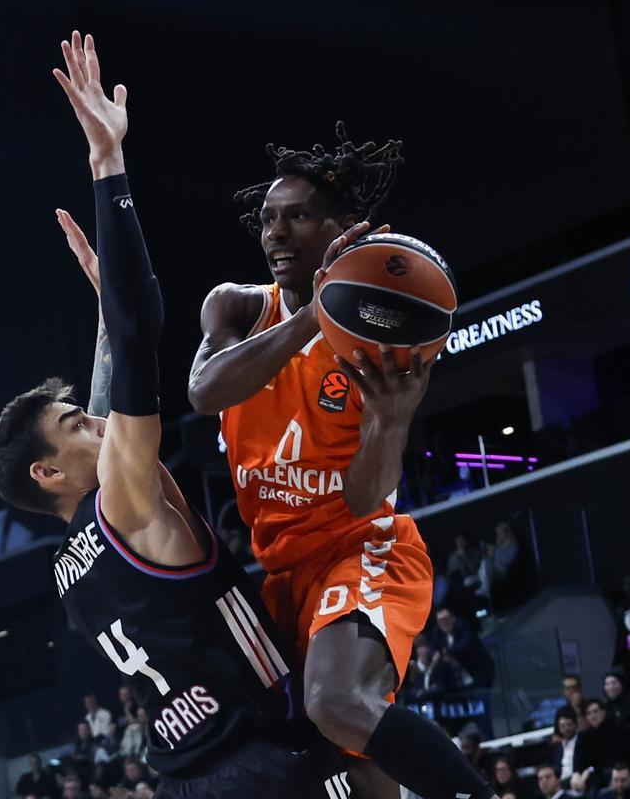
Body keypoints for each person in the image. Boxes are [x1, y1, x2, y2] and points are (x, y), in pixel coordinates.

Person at [0, 31, 387, 799]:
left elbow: (116, 366)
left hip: (192, 778)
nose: (94, 421)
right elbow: (140, 341)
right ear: (47, 470)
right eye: (74, 424)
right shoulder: (124, 500)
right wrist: (109, 165)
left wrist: (108, 312)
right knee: (373, 765)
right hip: (265, 761)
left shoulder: (73, 568)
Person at [187, 115, 495, 799]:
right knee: (341, 761)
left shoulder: (376, 338)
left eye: (297, 217)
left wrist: (392, 420)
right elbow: (205, 391)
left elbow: (364, 497)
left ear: (341, 229)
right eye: (267, 218)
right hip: (276, 571)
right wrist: (311, 316)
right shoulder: (236, 308)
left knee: (337, 705)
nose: (274, 233)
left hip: (361, 546)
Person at [431, 606, 495, 688]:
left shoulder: (463, 626)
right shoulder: (438, 631)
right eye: (440, 621)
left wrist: (445, 652)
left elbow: (465, 644)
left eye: (446, 619)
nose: (444, 623)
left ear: (453, 618)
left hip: (477, 670)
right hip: (457, 678)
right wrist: (438, 654)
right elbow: (431, 649)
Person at [550, 705, 600, 793]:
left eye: (569, 724)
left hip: (580, 783)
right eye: (563, 726)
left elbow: (594, 764)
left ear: (575, 724)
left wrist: (583, 776)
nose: (566, 729)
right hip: (561, 787)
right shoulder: (557, 747)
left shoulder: (585, 740)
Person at [584, 697, 630, 776]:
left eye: (595, 711)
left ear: (604, 712)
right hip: (601, 773)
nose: (593, 716)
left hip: (623, 769)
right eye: (589, 713)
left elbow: (620, 756)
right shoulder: (587, 736)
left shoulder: (617, 728)